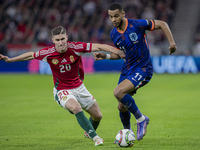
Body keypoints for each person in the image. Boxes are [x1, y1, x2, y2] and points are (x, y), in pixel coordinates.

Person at [0, 26, 125, 146]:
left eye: (62, 39)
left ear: (67, 37)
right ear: (53, 40)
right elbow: (30, 55)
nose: (61, 43)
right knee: (76, 108)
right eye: (58, 40)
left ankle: (88, 131)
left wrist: (117, 51)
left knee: (98, 116)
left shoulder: (76, 47)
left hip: (79, 87)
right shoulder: (48, 53)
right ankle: (95, 137)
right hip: (62, 90)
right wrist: (10, 60)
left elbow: (99, 46)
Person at [94, 2, 177, 141]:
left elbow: (162, 24)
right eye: (110, 17)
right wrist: (106, 56)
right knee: (121, 106)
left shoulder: (137, 24)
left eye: (116, 16)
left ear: (123, 14)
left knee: (118, 92)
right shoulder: (114, 33)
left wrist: (172, 43)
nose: (113, 19)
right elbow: (122, 54)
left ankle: (141, 119)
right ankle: (127, 134)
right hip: (127, 69)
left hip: (143, 68)